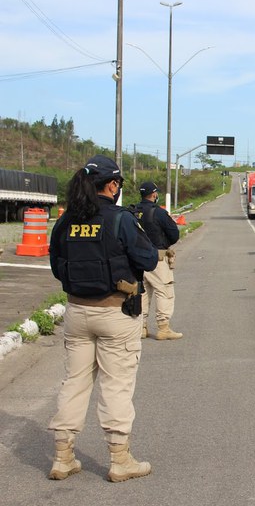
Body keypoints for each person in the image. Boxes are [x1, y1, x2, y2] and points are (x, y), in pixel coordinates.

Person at [48, 155, 158, 482]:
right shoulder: (119, 219)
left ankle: (62, 457)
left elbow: (57, 265)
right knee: (116, 385)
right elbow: (148, 259)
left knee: (75, 383)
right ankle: (120, 459)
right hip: (116, 313)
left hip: (76, 312)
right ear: (112, 185)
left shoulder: (66, 221)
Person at [135, 181, 182, 340]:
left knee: (142, 293)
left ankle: (141, 327)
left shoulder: (132, 211)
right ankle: (163, 328)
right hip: (157, 258)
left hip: (136, 259)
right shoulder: (159, 213)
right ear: (154, 194)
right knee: (164, 291)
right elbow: (174, 234)